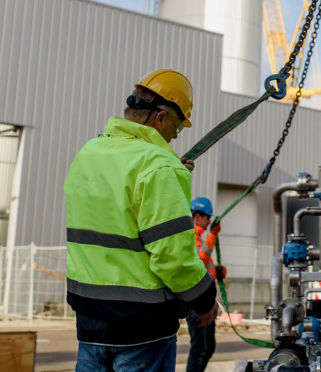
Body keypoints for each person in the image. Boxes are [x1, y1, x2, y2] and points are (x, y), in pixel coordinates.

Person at [65, 69, 218, 372]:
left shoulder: (89, 153)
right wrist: (205, 299)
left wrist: (169, 174)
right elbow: (173, 259)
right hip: (142, 329)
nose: (176, 135)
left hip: (89, 320)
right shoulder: (158, 166)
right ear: (160, 117)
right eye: (177, 125)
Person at [187, 197, 226, 372]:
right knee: (200, 348)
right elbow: (199, 259)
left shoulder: (200, 238)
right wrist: (213, 234)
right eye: (207, 217)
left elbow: (204, 265)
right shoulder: (189, 235)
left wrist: (217, 270)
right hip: (196, 302)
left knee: (208, 347)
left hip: (206, 301)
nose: (209, 221)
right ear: (197, 216)